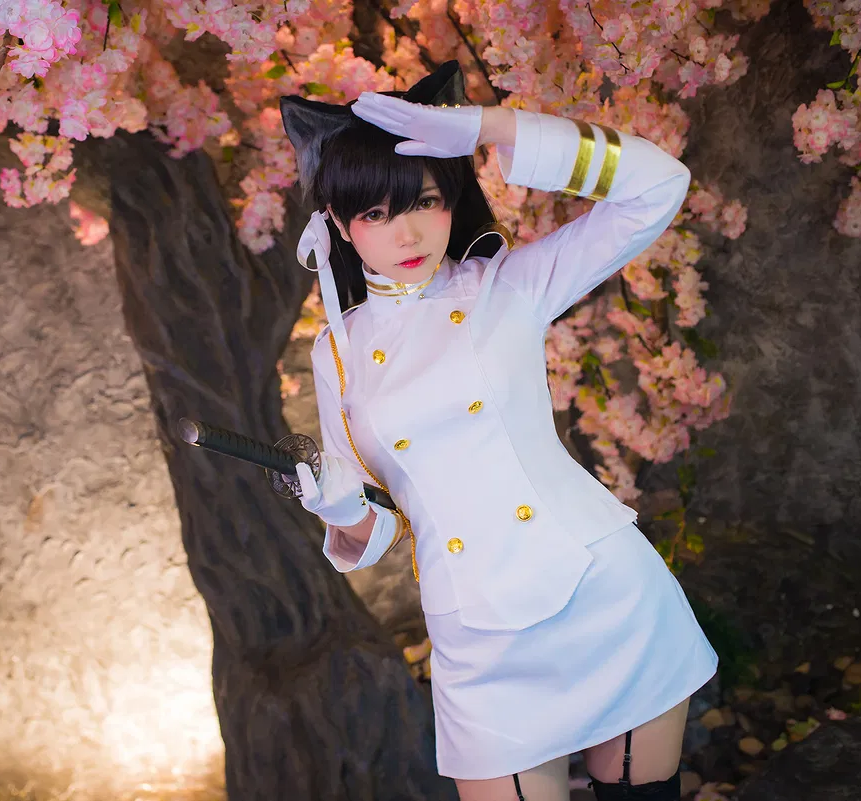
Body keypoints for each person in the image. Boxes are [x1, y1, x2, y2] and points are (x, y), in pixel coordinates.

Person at [279, 61, 719, 801]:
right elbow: (378, 527)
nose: (408, 232)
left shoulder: (508, 286)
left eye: (425, 201)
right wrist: (338, 504)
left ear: (452, 197)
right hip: (478, 634)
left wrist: (493, 126)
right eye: (376, 214)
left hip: (603, 589)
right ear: (338, 225)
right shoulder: (339, 351)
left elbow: (659, 184)